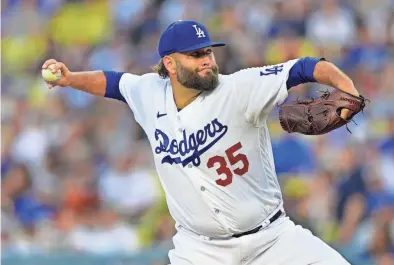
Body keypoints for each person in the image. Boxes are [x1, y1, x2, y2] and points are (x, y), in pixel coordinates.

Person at [42, 20, 358, 265]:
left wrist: (347, 88)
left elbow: (303, 68)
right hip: (200, 251)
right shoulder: (149, 92)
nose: (207, 59)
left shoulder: (239, 89)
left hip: (272, 240)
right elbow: (113, 83)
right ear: (169, 64)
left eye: (207, 51)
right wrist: (70, 78)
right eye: (195, 54)